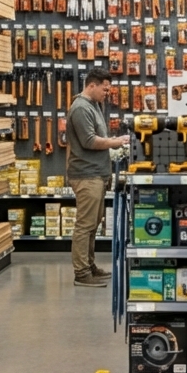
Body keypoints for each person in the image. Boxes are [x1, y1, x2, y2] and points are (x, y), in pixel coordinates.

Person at [66, 68, 130, 287]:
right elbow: (90, 142)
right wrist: (117, 141)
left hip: (96, 174)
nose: (107, 93)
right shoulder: (81, 108)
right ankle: (81, 274)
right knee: (85, 225)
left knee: (93, 224)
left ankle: (89, 266)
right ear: (91, 85)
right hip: (86, 175)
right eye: (104, 89)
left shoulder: (94, 105)